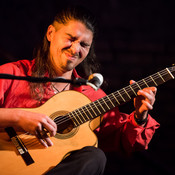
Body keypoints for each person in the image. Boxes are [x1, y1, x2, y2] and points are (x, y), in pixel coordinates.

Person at [0, 6, 160, 175]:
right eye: (71, 38)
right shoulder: (14, 73)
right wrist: (19, 117)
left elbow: (126, 142)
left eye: (84, 44)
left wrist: (140, 116)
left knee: (95, 157)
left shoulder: (91, 96)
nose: (76, 49)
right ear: (51, 34)